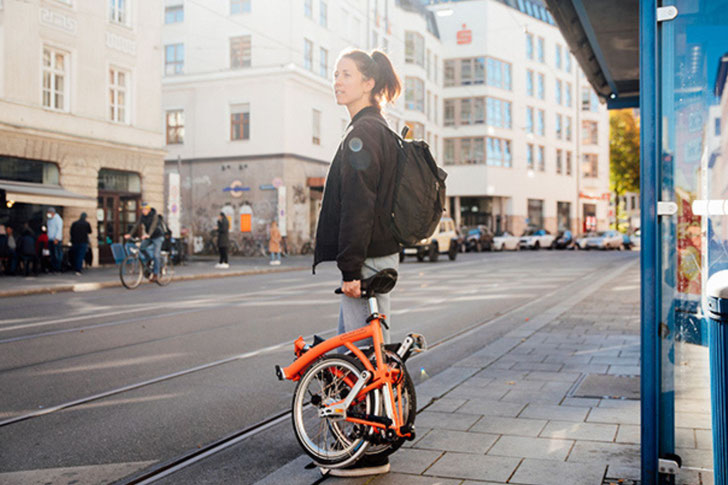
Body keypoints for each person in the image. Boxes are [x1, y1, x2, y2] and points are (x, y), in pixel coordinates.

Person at [311, 48, 403, 478]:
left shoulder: (362, 134)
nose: (337, 81)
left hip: (365, 260)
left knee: (359, 357)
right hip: (380, 254)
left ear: (368, 83)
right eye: (335, 74)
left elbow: (359, 207)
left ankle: (367, 451)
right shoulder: (378, 129)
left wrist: (350, 271)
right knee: (368, 354)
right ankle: (368, 445)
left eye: (346, 74)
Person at [124, 202, 164, 282]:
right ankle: (149, 259)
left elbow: (153, 226)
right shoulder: (142, 217)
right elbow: (136, 225)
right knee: (141, 247)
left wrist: (148, 234)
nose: (143, 211)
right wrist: (130, 234)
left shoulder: (154, 216)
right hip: (149, 236)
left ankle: (156, 274)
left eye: (145, 209)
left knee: (156, 255)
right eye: (142, 210)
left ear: (149, 209)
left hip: (158, 236)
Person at [46, 207, 63, 272]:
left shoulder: (58, 219)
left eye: (49, 213)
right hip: (50, 239)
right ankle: (53, 267)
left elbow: (59, 229)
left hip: (56, 240)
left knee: (57, 254)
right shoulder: (49, 220)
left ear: (52, 213)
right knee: (52, 255)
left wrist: (57, 238)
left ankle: (58, 268)